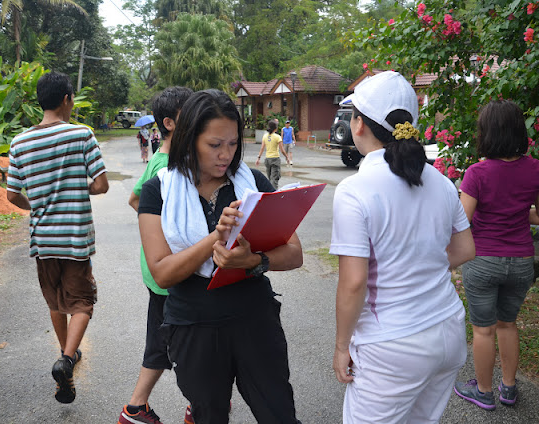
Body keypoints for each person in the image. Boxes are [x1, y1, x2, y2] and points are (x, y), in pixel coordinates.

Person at [138, 89, 303, 424]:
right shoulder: (159, 190)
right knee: (208, 414)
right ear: (188, 139)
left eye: (232, 143)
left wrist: (254, 261)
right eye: (215, 145)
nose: (226, 154)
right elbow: (162, 273)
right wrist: (217, 236)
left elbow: (295, 253)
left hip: (255, 321)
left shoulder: (252, 183)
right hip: (193, 326)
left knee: (278, 413)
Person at [329, 71, 475, 423]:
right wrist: (423, 264)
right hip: (448, 330)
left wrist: (341, 346)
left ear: (358, 124)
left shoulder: (354, 191)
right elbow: (465, 248)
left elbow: (353, 283)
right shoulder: (440, 180)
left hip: (392, 344)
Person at [6, 71, 109, 404]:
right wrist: (77, 188)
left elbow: (12, 195)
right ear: (67, 99)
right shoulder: (81, 134)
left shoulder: (19, 142)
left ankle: (67, 355)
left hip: (43, 239)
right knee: (82, 303)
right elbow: (101, 184)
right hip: (75, 238)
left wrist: (36, 206)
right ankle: (66, 359)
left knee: (56, 301)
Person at [454, 100, 539, 410]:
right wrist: (517, 212)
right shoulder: (535, 169)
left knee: (483, 329)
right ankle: (509, 388)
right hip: (520, 261)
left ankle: (484, 392)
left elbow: (463, 220)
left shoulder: (477, 173)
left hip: (484, 259)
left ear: (486, 133)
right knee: (508, 324)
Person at [119, 86, 193, 424]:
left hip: (165, 271)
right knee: (183, 340)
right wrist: (163, 230)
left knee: (166, 341)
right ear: (170, 123)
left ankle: (137, 409)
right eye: (188, 111)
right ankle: (201, 404)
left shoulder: (175, 159)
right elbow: (137, 200)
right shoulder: (164, 164)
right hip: (167, 272)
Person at [255, 119, 289, 189]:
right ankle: (273, 193)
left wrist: (258, 158)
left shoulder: (265, 136)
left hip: (267, 159)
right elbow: (282, 149)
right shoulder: (277, 137)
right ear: (275, 128)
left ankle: (270, 191)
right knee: (274, 179)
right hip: (275, 159)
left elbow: (262, 148)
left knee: (270, 178)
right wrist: (287, 157)